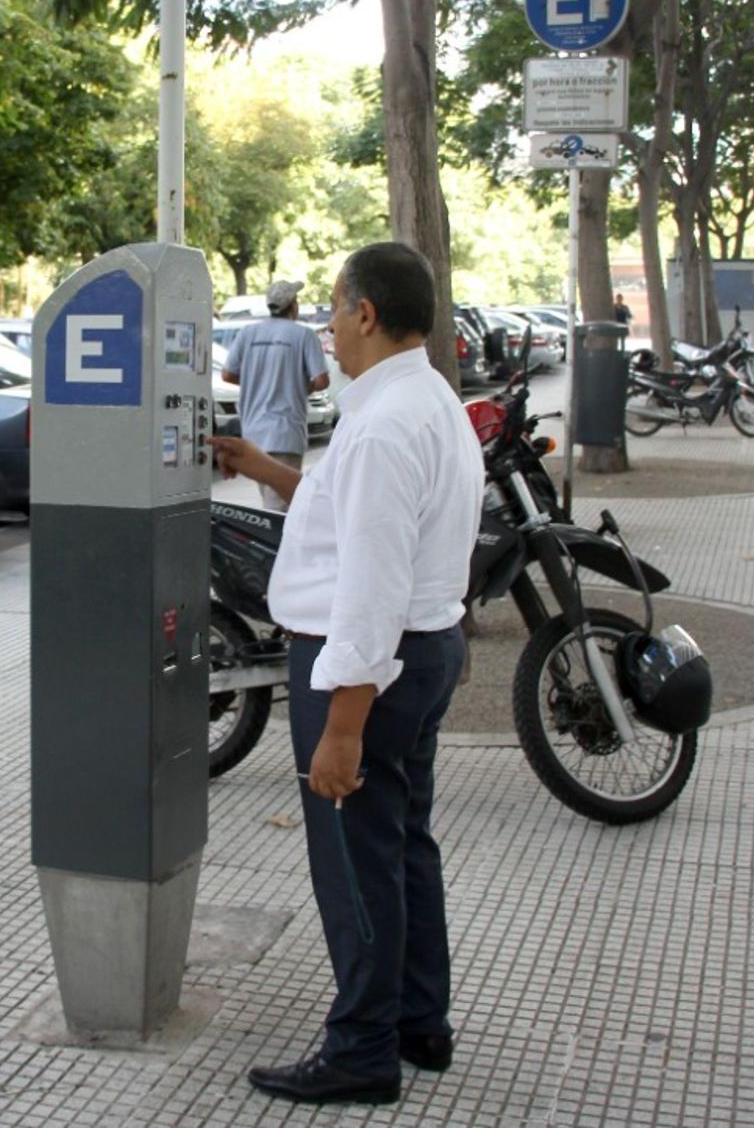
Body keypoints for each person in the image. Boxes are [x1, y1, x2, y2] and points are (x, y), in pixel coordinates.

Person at [207, 242, 482, 1107]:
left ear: (366, 312)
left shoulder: (384, 426)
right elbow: (353, 521)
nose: (326, 323)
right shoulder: (426, 400)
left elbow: (369, 589)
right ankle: (416, 1022)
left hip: (369, 666)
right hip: (427, 650)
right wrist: (262, 469)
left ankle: (362, 1048)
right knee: (403, 846)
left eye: (334, 307)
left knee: (356, 860)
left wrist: (343, 726)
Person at [222, 279, 329, 511]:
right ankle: (276, 548)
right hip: (285, 433)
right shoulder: (303, 335)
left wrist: (254, 381)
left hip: (253, 434)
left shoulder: (248, 333)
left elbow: (227, 374)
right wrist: (300, 386)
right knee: (279, 510)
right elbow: (321, 380)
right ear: (293, 305)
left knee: (269, 501)